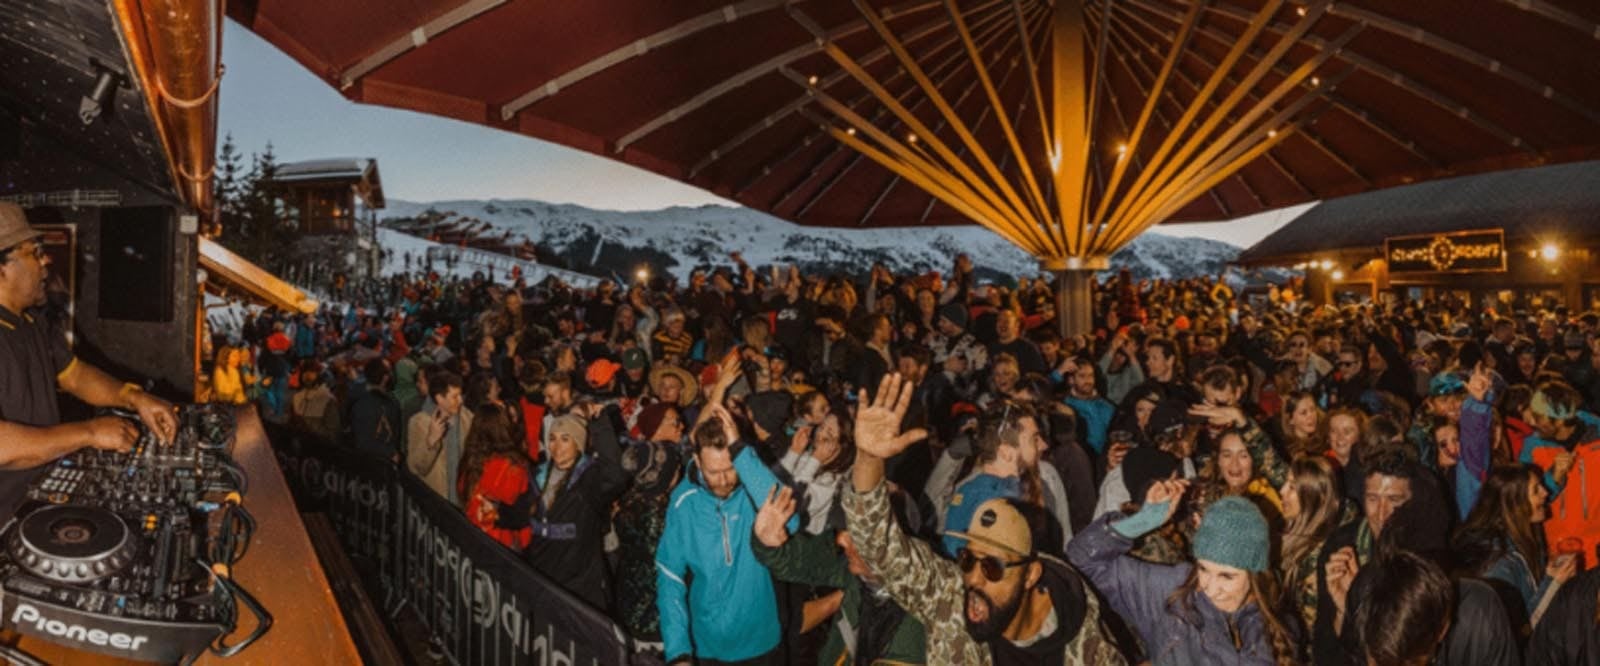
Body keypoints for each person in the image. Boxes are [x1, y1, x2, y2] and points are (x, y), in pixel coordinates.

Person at [843, 374, 1127, 665]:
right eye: (967, 560)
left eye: (992, 567)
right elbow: (878, 546)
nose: (973, 578)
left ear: (1030, 575)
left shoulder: (1077, 624)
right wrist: (867, 459)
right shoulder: (950, 598)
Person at [0, 203, 177, 517]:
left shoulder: (32, 322)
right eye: (35, 252)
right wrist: (90, 432)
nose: (46, 261)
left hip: (34, 499)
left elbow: (74, 375)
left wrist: (132, 397)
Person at [1068, 482, 1297, 664]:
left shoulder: (1275, 630)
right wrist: (1138, 524)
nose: (1210, 588)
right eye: (1204, 568)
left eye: (1227, 576)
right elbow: (1082, 559)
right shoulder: (1171, 591)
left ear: (1255, 573)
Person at [656, 404, 796, 665]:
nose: (723, 480)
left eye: (730, 469)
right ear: (697, 461)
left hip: (763, 641)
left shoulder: (754, 486)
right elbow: (670, 578)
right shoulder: (683, 503)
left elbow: (793, 521)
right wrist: (678, 652)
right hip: (709, 646)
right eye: (713, 472)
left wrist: (743, 457)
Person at [752, 489, 928, 665]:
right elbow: (790, 560)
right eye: (846, 528)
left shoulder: (914, 628)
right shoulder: (857, 572)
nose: (842, 539)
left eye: (856, 533)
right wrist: (767, 541)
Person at [522, 412, 627, 612]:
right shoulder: (537, 475)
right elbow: (522, 515)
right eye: (552, 439)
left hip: (580, 584)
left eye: (565, 439)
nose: (556, 446)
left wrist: (600, 424)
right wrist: (497, 512)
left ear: (578, 443)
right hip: (542, 574)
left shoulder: (590, 478)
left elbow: (616, 476)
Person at [1454, 464, 1578, 631]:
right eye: (1536, 490)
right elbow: (1517, 631)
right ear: (1515, 503)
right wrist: (1553, 583)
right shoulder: (1499, 565)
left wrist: (1548, 573)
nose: (1545, 493)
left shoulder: (1522, 535)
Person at [459, 406, 533, 549]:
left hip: (472, 537)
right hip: (504, 544)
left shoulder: (469, 461)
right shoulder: (513, 466)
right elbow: (521, 513)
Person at [406, 371, 471, 503]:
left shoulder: (466, 418)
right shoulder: (420, 423)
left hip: (463, 501)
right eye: (455, 396)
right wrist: (431, 442)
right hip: (437, 503)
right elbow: (416, 467)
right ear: (440, 399)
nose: (460, 400)